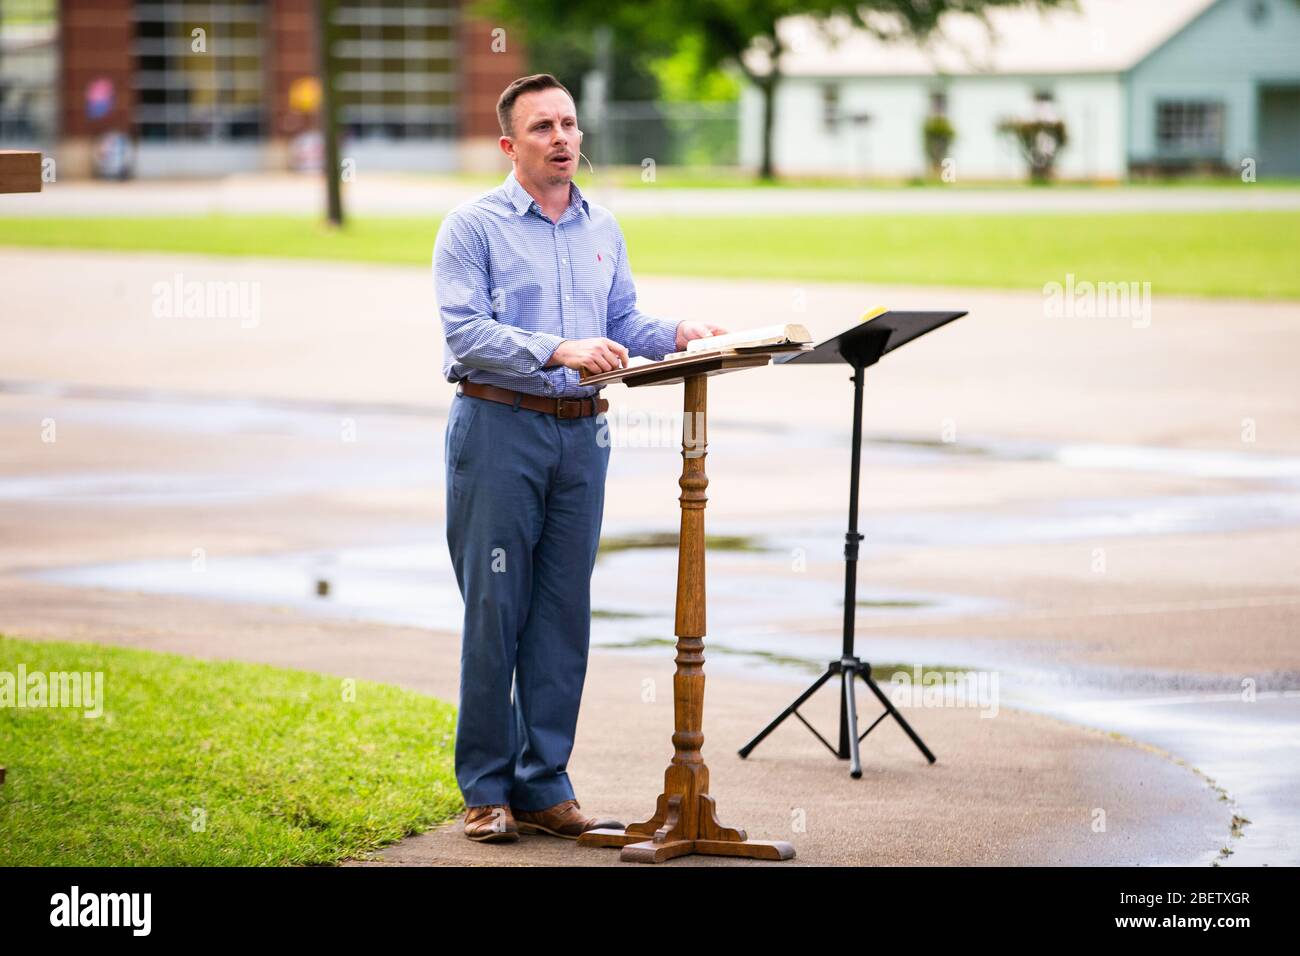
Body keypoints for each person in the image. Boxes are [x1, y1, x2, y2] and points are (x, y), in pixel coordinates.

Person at [434, 73, 726, 843]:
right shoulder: (472, 227)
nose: (561, 138)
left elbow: (622, 318)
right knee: (498, 611)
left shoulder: (603, 226)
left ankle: (543, 783)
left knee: (563, 612)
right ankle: (486, 789)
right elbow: (466, 333)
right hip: (500, 430)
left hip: (583, 435)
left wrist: (680, 332)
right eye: (541, 127)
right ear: (509, 144)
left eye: (568, 124)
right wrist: (556, 349)